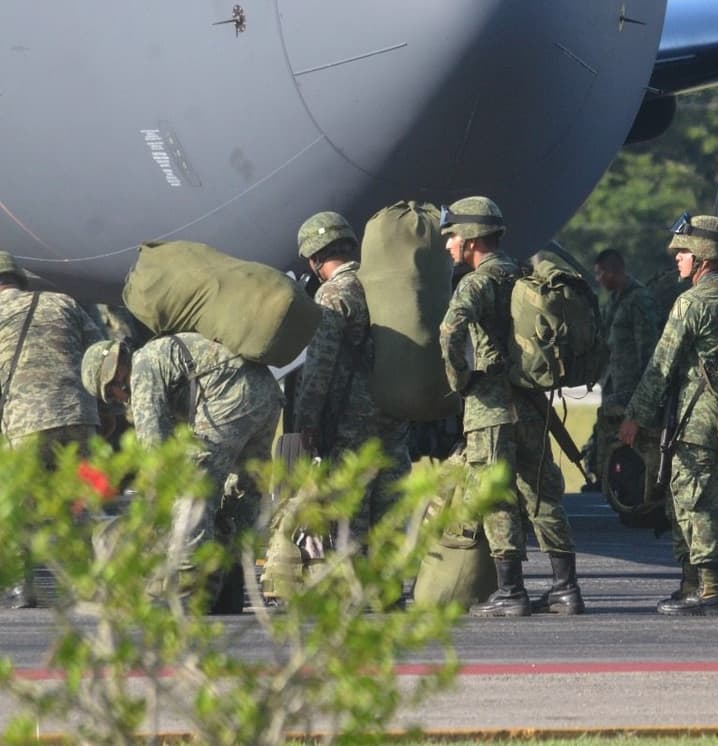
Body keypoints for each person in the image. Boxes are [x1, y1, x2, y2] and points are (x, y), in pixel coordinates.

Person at [438, 195, 584, 617]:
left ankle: (511, 592)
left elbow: (451, 330)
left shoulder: (475, 283)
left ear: (471, 239)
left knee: (495, 494)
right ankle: (565, 589)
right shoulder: (522, 273)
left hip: (490, 407)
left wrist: (460, 380)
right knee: (542, 493)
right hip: (530, 402)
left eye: (452, 237)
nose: (449, 245)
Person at [81, 333, 282, 613]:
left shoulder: (141, 368)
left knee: (193, 491)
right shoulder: (156, 356)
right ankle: (230, 584)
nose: (117, 398)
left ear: (113, 374)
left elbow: (155, 451)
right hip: (266, 393)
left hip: (230, 398)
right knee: (243, 492)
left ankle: (186, 592)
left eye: (110, 393)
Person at [619, 213, 718, 616]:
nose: (677, 259)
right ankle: (691, 585)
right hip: (715, 415)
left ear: (703, 255)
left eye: (684, 251)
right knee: (684, 501)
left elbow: (661, 365)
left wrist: (635, 416)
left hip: (695, 417)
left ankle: (711, 592)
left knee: (696, 503)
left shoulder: (692, 302)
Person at [294, 210, 412, 551]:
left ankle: (355, 589)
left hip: (349, 420)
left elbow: (319, 367)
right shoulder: (384, 284)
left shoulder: (334, 294)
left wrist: (307, 421)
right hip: (393, 411)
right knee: (390, 501)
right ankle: (388, 589)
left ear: (316, 258)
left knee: (351, 508)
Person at [0, 251, 106, 607]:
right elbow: (102, 352)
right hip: (78, 415)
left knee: (17, 505)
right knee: (80, 504)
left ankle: (20, 588)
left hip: (24, 423)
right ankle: (87, 585)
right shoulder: (63, 303)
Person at [587, 248, 659, 492]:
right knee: (609, 433)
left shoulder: (639, 299)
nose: (598, 279)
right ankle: (605, 478)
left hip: (631, 387)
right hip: (613, 384)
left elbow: (647, 347)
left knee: (633, 440)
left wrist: (644, 391)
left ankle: (633, 486)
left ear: (612, 271)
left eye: (600, 274)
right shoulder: (616, 300)